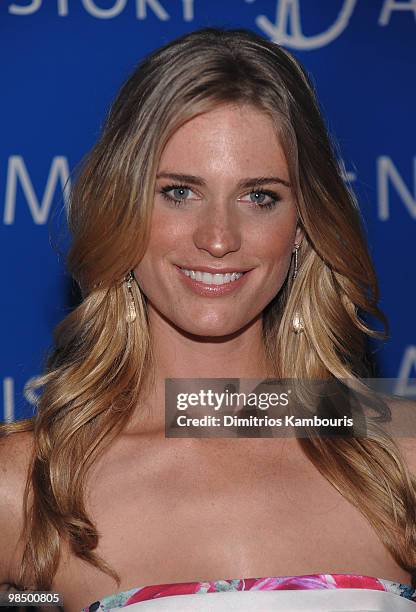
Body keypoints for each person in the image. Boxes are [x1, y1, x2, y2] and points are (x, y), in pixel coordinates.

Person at [1, 27, 415, 612]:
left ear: (302, 226)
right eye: (178, 192)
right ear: (123, 206)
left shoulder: (398, 461)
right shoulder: (29, 489)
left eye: (259, 196)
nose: (217, 238)